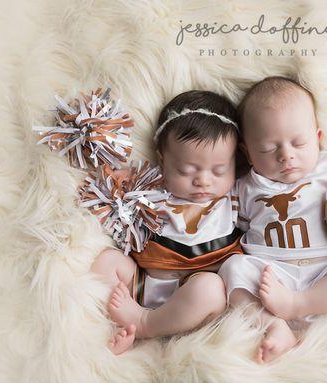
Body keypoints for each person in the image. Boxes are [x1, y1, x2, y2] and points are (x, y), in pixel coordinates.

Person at [218, 76, 327, 363]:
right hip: (271, 272)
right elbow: (223, 220)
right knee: (232, 268)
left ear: (318, 139)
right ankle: (275, 326)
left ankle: (298, 305)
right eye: (268, 149)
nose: (286, 156)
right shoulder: (244, 186)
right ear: (247, 152)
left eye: (299, 143)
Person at [90, 90, 242, 354]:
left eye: (219, 170)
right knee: (106, 262)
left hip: (194, 298)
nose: (204, 181)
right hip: (142, 286)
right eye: (186, 170)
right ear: (162, 159)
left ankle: (145, 324)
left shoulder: (237, 198)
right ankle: (123, 329)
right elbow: (110, 202)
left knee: (211, 289)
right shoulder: (151, 192)